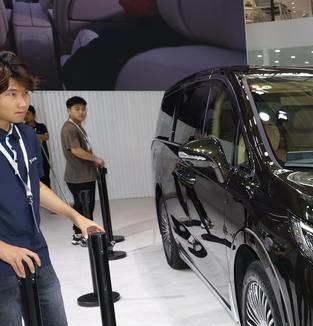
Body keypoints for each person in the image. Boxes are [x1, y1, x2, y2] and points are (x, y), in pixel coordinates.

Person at [0, 51, 102, 326]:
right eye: (11, 93)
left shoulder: (25, 135)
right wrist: (3, 249)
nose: (21, 102)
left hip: (37, 253)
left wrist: (77, 216)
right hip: (3, 262)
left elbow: (35, 187)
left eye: (24, 93)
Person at [61, 0, 189, 90]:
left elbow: (70, 75)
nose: (120, 3)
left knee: (72, 50)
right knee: (85, 35)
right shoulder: (191, 46)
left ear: (153, 2)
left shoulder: (117, 41)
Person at [61, 96, 106, 246]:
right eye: (77, 109)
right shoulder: (69, 128)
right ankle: (83, 236)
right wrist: (96, 159)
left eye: (83, 109)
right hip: (79, 177)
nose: (81, 112)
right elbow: (76, 150)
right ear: (69, 110)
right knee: (84, 207)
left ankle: (79, 234)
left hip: (85, 175)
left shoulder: (77, 126)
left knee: (83, 206)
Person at [24, 105, 52, 187]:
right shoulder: (22, 128)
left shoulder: (41, 126)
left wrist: (35, 136)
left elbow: (46, 137)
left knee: (46, 181)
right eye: (24, 114)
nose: (26, 116)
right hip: (31, 160)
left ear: (33, 114)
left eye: (28, 114)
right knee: (34, 183)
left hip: (43, 158)